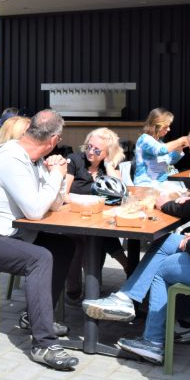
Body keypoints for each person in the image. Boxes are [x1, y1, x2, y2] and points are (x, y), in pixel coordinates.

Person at [95, 124, 190, 365]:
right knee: (168, 244)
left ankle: (152, 335)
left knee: (164, 265)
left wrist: (189, 242)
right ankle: (130, 302)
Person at [0, 109, 78, 370]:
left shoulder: (32, 161)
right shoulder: (11, 160)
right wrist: (56, 175)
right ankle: (43, 344)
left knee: (64, 244)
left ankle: (34, 317)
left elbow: (52, 205)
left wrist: (56, 176)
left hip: (10, 234)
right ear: (54, 139)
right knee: (40, 258)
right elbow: (35, 211)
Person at [83, 122, 190, 324]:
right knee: (166, 244)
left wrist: (168, 205)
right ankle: (135, 304)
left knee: (165, 261)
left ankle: (179, 322)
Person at [62, 128, 127, 301]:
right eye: (88, 146)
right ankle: (76, 287)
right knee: (84, 240)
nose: (90, 152)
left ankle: (93, 287)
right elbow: (64, 195)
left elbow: (119, 192)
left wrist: (108, 165)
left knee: (100, 236)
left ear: (107, 153)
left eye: (97, 150)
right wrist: (87, 202)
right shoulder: (75, 160)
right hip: (73, 217)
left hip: (99, 218)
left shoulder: (110, 166)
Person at [133, 107, 188, 185]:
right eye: (165, 127)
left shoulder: (159, 142)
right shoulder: (144, 139)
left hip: (161, 183)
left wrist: (179, 148)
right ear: (156, 125)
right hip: (146, 184)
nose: (169, 129)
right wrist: (180, 141)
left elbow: (170, 160)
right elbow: (160, 150)